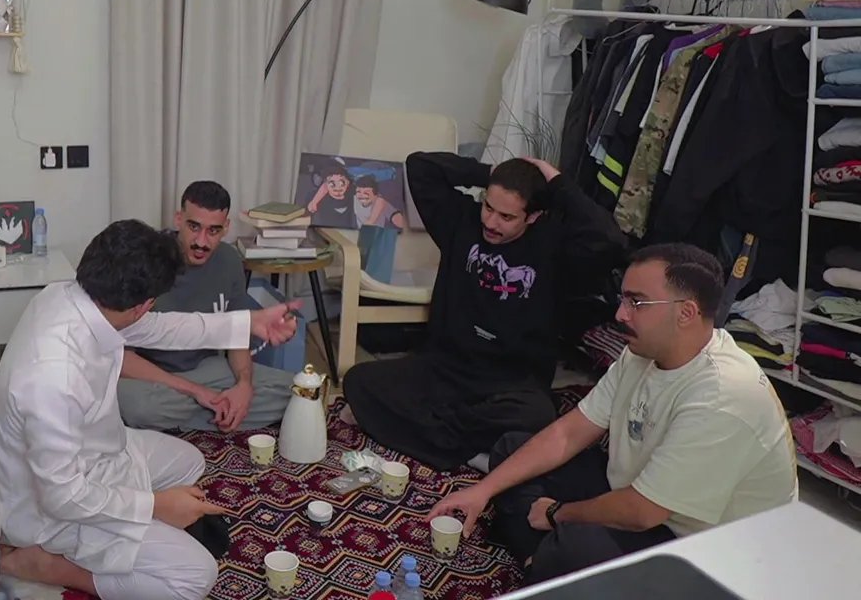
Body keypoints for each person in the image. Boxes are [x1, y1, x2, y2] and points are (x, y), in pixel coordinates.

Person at [429, 243, 798, 584]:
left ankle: (548, 560)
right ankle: (540, 562)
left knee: (577, 545)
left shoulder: (724, 396)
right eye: (624, 299)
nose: (621, 314)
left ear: (686, 312)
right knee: (513, 450)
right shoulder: (642, 352)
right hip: (639, 495)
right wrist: (481, 491)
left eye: (637, 303)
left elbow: (642, 513)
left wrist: (558, 513)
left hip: (707, 554)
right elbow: (569, 433)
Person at [0, 219, 302, 600]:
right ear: (143, 305)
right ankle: (49, 566)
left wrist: (250, 322)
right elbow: (62, 496)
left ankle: (135, 533)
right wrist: (155, 506)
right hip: (49, 506)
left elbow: (162, 329)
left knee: (189, 461)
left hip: (98, 453)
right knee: (195, 577)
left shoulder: (72, 296)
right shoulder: (54, 377)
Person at [342, 153, 626, 471]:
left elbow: (611, 241)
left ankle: (424, 430)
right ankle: (467, 451)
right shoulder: (460, 222)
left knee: (538, 416)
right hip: (445, 369)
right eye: (488, 207)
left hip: (512, 383)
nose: (491, 223)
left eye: (507, 216)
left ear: (533, 216)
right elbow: (420, 166)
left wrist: (556, 182)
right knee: (358, 381)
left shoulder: (556, 246)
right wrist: (494, 173)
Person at [119, 181, 295, 432]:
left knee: (296, 392)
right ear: (179, 219)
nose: (201, 242)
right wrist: (195, 391)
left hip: (207, 370)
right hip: (152, 376)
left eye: (213, 231)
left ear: (226, 228)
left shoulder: (229, 260)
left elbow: (237, 337)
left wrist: (244, 386)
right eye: (194, 227)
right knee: (137, 406)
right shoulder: (147, 261)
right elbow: (122, 357)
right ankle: (216, 410)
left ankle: (199, 414)